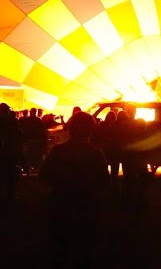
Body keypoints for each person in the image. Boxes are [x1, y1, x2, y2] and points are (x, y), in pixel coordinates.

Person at [38, 111, 108, 269]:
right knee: (83, 250)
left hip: (61, 205)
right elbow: (104, 181)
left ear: (70, 128)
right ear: (91, 129)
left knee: (59, 250)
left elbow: (44, 176)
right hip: (86, 207)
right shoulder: (96, 154)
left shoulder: (58, 151)